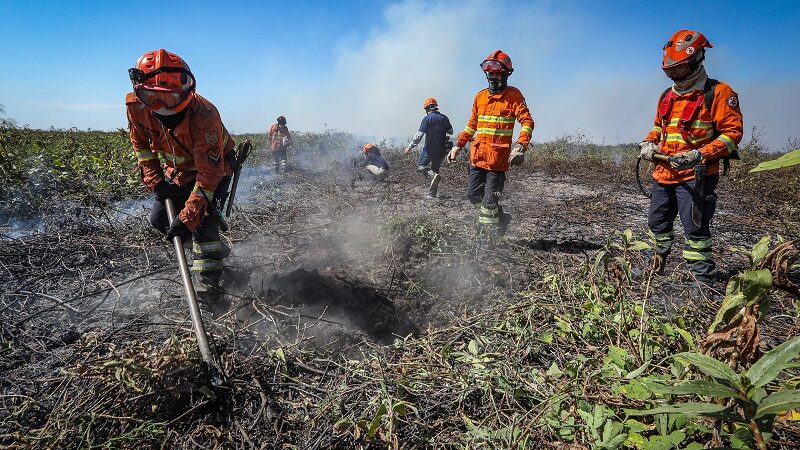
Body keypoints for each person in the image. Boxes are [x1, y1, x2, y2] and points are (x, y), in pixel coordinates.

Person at [638, 30, 743, 285]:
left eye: (679, 70)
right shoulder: (667, 96)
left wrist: (699, 155)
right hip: (663, 175)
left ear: (697, 60)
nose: (674, 76)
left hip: (696, 177)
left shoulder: (718, 93)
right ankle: (653, 270)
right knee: (657, 226)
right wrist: (649, 142)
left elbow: (732, 134)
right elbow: (659, 128)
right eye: (669, 71)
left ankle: (702, 283)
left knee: (696, 232)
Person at [126, 49, 234, 291]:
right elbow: (142, 147)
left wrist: (188, 218)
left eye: (170, 99)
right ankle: (208, 248)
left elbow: (209, 174)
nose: (161, 108)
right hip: (178, 170)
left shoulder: (204, 115)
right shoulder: (137, 107)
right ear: (139, 91)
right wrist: (157, 183)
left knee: (203, 225)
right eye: (151, 96)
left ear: (185, 92)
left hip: (214, 168)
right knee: (160, 219)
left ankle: (211, 292)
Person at [447, 50, 534, 231]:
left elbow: (527, 121)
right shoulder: (480, 97)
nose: (493, 77)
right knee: (473, 196)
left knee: (488, 203)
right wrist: (457, 146)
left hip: (497, 161)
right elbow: (472, 126)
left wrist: (520, 146)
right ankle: (501, 217)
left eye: (496, 73)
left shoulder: (513, 96)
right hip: (477, 158)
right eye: (490, 73)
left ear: (505, 74)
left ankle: (488, 242)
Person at [404, 97, 453, 198]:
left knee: (420, 165)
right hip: (442, 150)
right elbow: (451, 131)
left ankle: (433, 176)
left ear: (427, 109)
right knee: (435, 170)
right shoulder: (444, 118)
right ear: (436, 107)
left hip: (429, 150)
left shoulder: (427, 119)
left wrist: (410, 146)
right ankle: (432, 194)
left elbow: (419, 135)